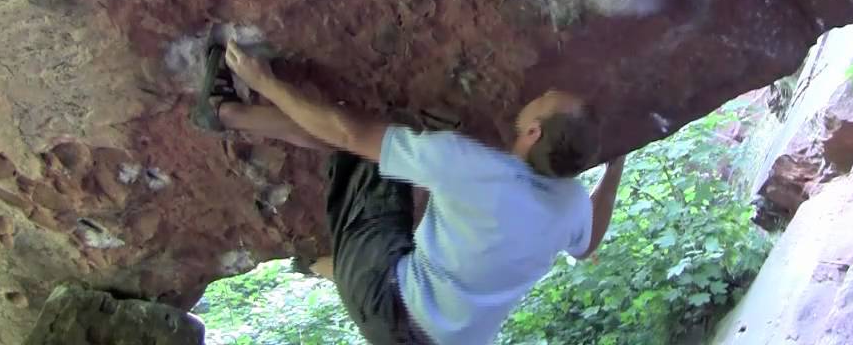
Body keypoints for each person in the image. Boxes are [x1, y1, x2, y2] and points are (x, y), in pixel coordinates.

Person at [200, 40, 626, 345]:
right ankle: (316, 266)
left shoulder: (469, 166)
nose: (541, 93)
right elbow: (588, 243)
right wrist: (615, 167)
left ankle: (225, 111)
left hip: (386, 300)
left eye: (545, 99)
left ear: (532, 132)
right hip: (435, 329)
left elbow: (348, 132)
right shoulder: (569, 204)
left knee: (360, 147)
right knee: (405, 225)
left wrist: (265, 81)